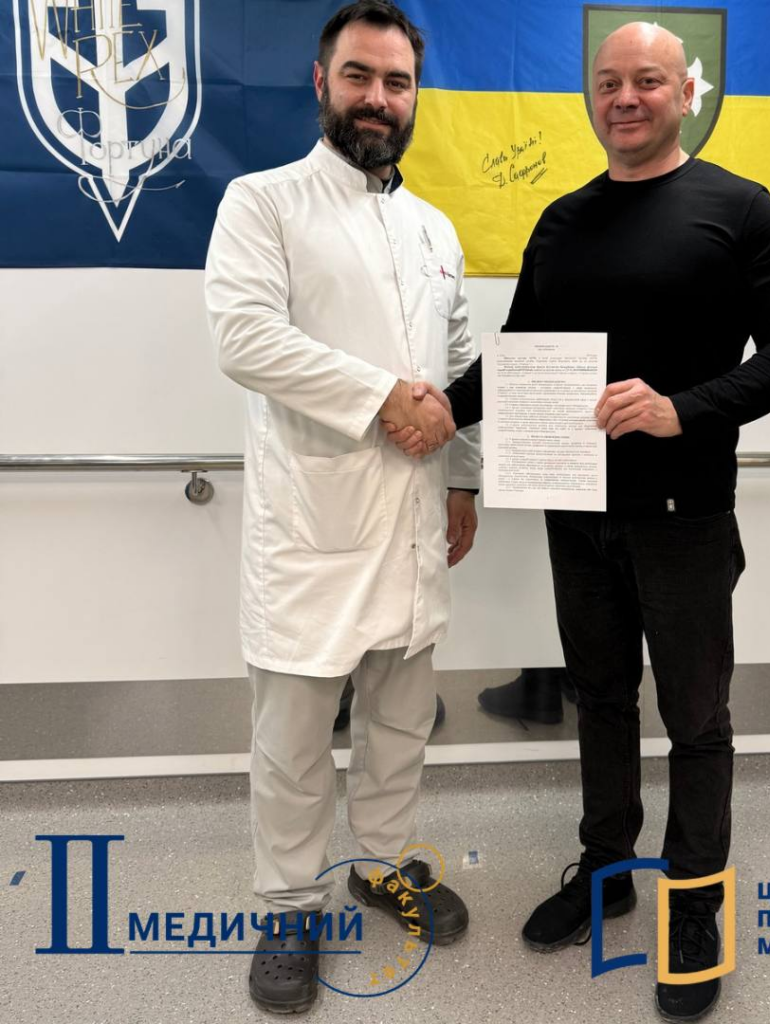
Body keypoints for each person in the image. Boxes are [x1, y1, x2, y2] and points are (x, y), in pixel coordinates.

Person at [387, 21, 770, 1020]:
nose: (625, 98)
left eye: (647, 81)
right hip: (576, 512)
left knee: (697, 719)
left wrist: (683, 409)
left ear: (686, 94)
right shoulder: (563, 220)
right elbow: (518, 356)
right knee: (599, 696)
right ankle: (606, 868)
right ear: (592, 96)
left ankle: (695, 904)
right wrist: (435, 407)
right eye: (608, 83)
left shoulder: (740, 210)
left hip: (684, 516)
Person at [204, 1, 479, 1013]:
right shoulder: (263, 202)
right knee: (292, 741)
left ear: (414, 96)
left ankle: (384, 864)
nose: (378, 97)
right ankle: (287, 905)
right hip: (312, 526)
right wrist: (381, 396)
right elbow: (244, 337)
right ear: (321, 82)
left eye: (396, 82)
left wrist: (463, 476)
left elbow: (458, 365)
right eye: (359, 76)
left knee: (400, 721)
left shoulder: (434, 228)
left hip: (411, 518)